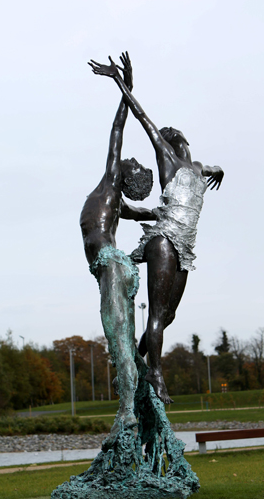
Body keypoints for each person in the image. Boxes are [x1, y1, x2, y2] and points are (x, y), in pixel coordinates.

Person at [89, 54, 224, 404]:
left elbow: (209, 166)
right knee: (156, 311)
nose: (172, 133)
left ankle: (135, 362)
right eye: (170, 133)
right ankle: (156, 377)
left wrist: (219, 170)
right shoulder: (166, 154)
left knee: (168, 315)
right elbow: (140, 115)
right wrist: (122, 83)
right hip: (162, 241)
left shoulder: (195, 166)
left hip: (184, 247)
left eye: (173, 132)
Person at [80, 52, 156, 432]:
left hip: (111, 263)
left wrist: (122, 85)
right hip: (116, 266)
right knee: (123, 341)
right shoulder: (119, 208)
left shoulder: (109, 188)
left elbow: (117, 132)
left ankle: (127, 411)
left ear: (122, 174)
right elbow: (151, 214)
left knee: (119, 343)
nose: (125, 159)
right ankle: (144, 399)